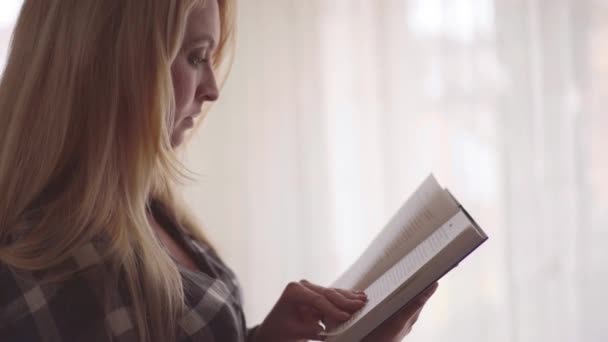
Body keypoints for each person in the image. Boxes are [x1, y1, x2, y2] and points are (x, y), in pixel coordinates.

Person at [0, 1, 437, 341]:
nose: (211, 89)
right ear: (112, 64)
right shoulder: (56, 268)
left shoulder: (148, 205)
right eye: (195, 57)